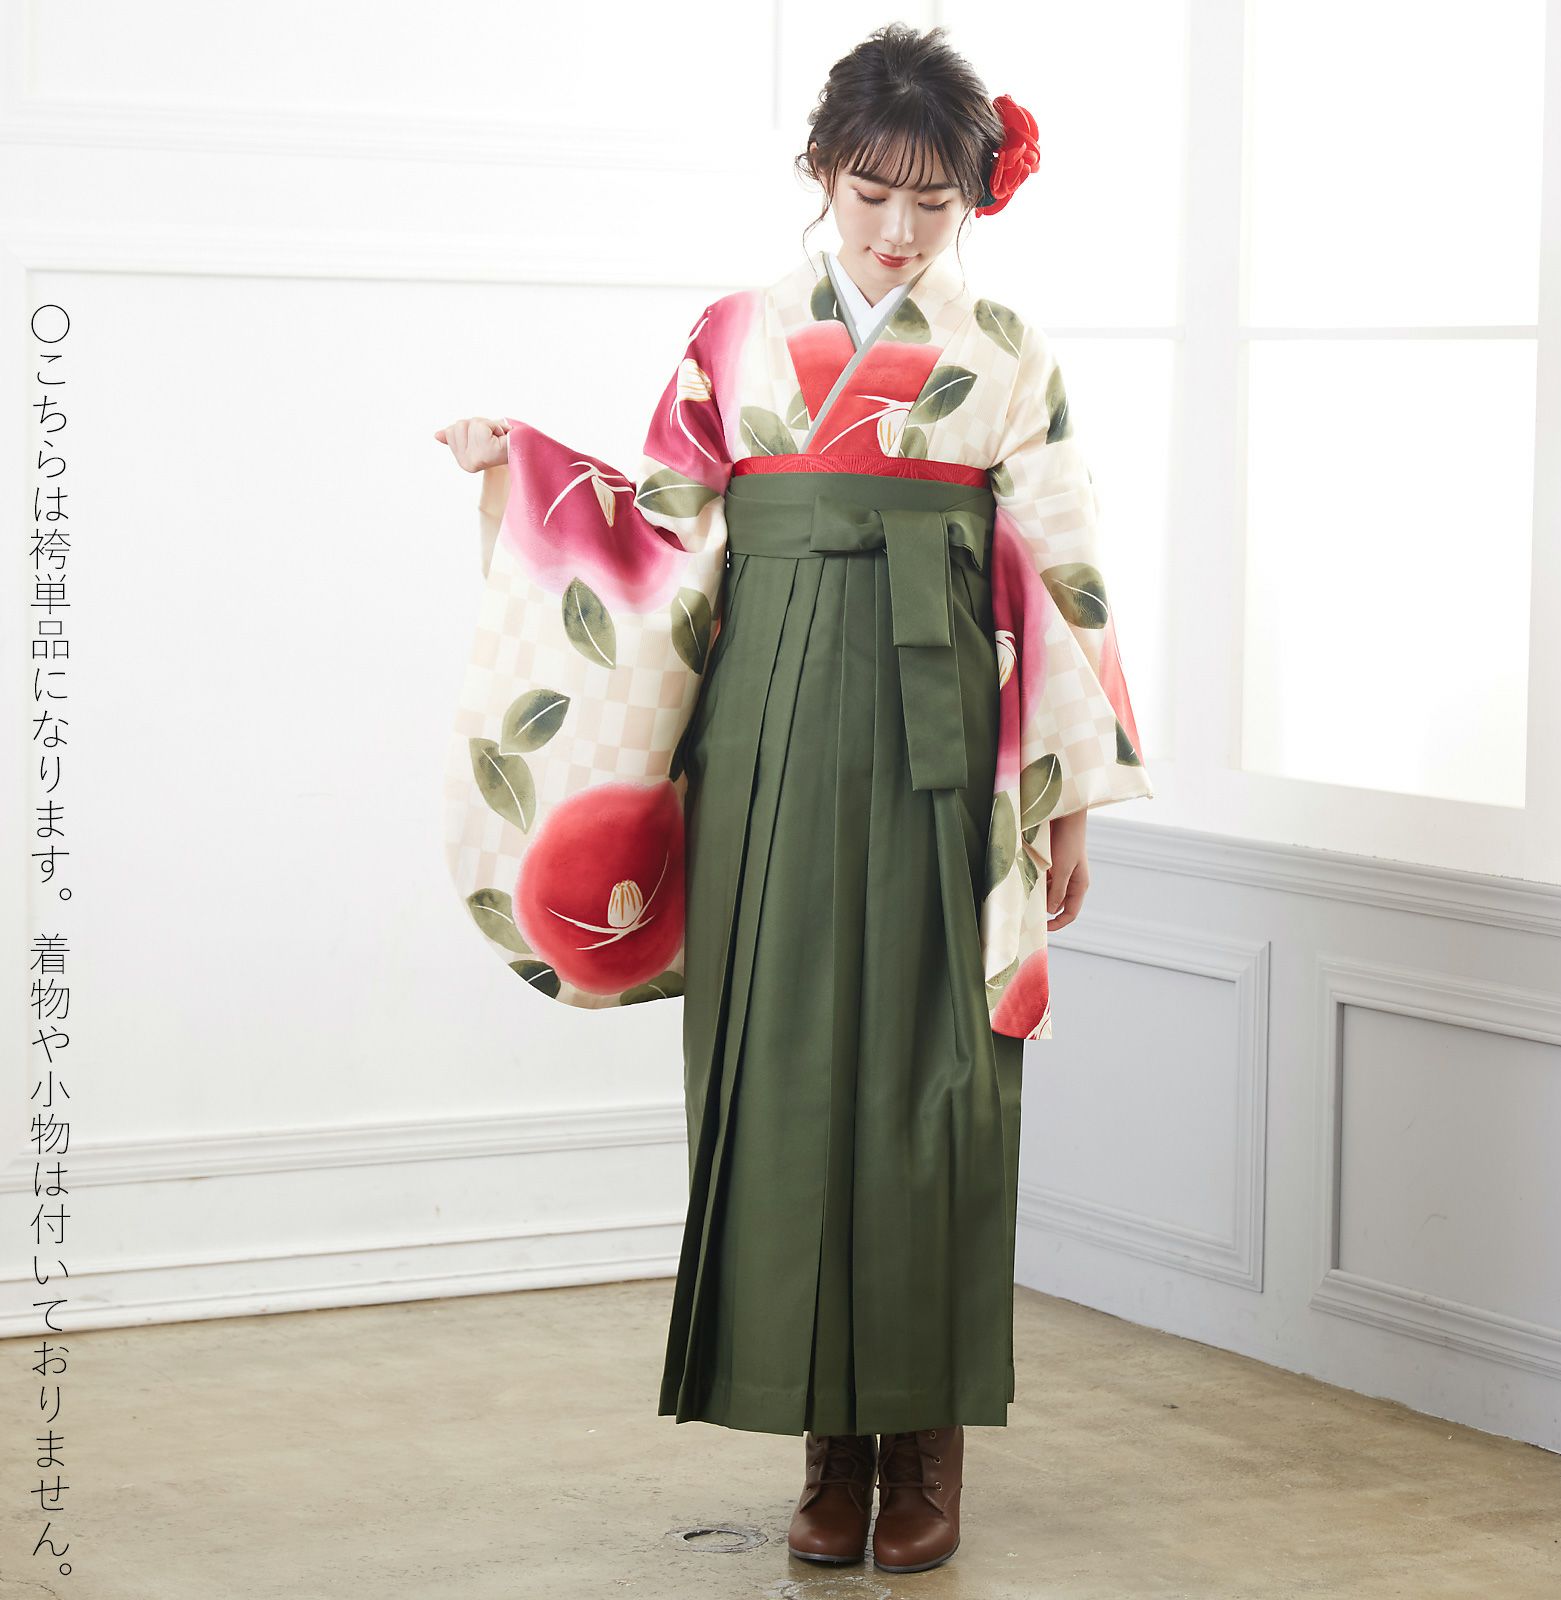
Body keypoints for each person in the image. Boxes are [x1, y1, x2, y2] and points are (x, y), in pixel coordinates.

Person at [434, 22, 1154, 1576]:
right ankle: (827, 1451)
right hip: (764, 737)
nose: (897, 232)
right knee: (785, 1075)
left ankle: (926, 1447)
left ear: (970, 203)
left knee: (936, 1087)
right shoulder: (736, 337)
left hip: (947, 750)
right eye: (871, 195)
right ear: (820, 175)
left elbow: (1065, 573)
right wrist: (523, 470)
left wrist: (1069, 803)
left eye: (931, 205)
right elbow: (659, 539)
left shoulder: (1007, 351)